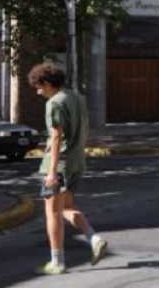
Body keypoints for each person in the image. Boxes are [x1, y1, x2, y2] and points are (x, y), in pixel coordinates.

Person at [29, 62, 107, 275]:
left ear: (47, 83)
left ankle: (58, 261)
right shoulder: (77, 97)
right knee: (66, 207)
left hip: (59, 163)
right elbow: (85, 127)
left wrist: (52, 171)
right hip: (77, 161)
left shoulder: (55, 102)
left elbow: (56, 136)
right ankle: (94, 238)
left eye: (39, 87)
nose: (38, 92)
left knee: (52, 212)